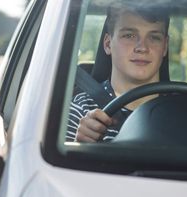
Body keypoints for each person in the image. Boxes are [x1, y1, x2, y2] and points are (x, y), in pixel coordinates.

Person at [66, 5, 170, 142]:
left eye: (154, 37)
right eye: (129, 35)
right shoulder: (81, 109)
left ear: (165, 47)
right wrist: (79, 145)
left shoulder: (184, 110)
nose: (142, 48)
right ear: (108, 44)